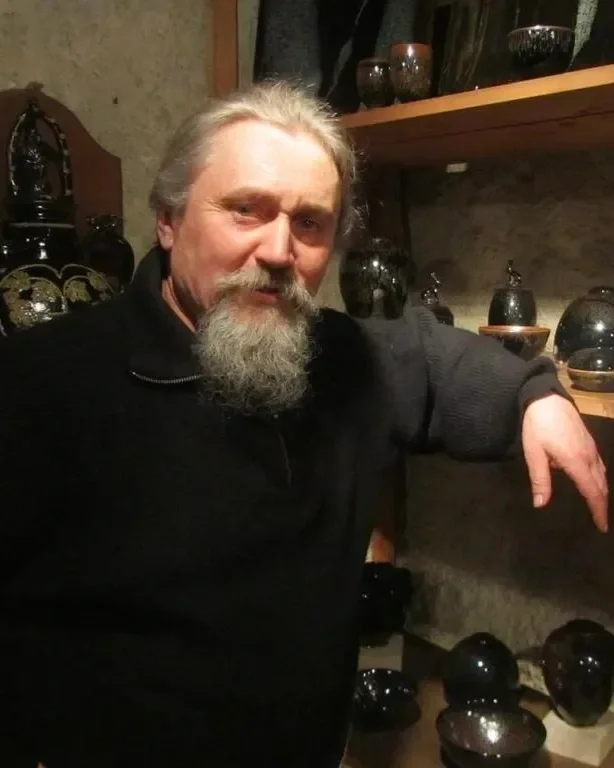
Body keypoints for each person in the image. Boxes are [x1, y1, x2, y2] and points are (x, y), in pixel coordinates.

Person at [0, 81, 607, 768]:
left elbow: (432, 359)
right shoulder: (43, 383)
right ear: (169, 220)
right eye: (246, 210)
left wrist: (536, 396)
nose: (278, 250)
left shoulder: (339, 356)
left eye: (310, 223)